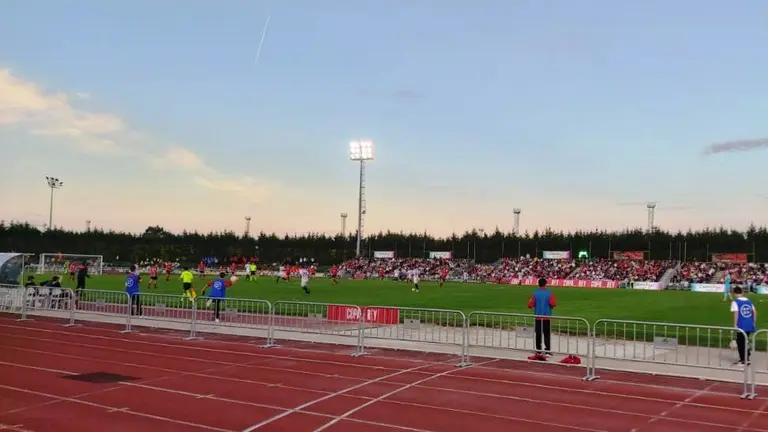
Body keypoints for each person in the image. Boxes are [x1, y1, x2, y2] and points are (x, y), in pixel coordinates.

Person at [527, 277, 557, 361]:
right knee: (547, 334)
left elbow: (529, 305)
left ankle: (538, 350)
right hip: (546, 317)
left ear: (538, 284)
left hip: (538, 317)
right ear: (545, 284)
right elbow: (553, 304)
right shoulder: (549, 293)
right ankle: (547, 351)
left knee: (538, 334)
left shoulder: (535, 293)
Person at [731, 286, 757, 366]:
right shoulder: (749, 301)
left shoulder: (735, 302)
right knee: (745, 341)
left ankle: (744, 360)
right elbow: (755, 311)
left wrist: (735, 324)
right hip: (749, 324)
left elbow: (736, 313)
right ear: (742, 292)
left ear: (734, 293)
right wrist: (753, 322)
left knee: (740, 342)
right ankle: (746, 358)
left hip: (741, 325)